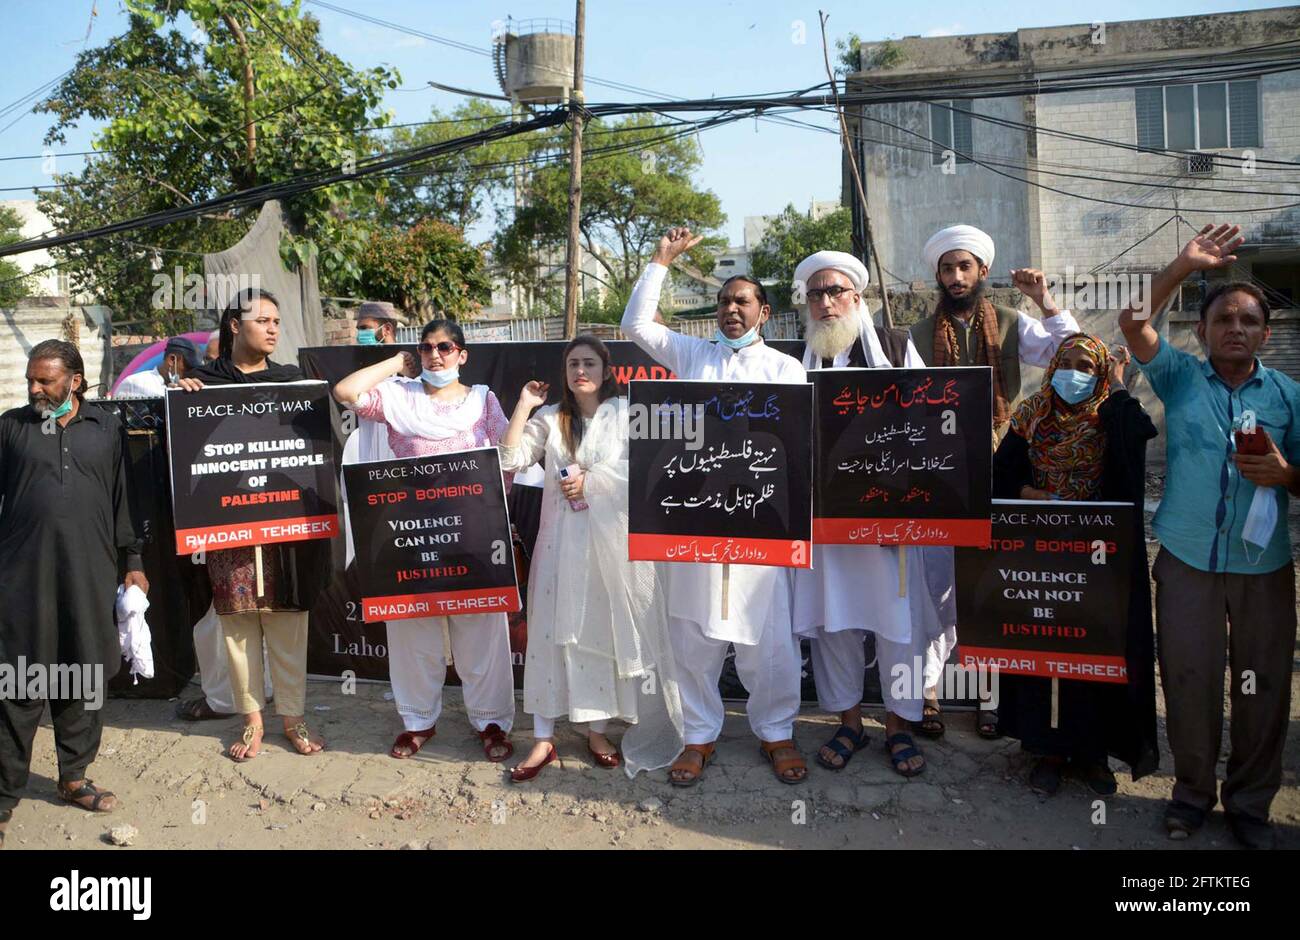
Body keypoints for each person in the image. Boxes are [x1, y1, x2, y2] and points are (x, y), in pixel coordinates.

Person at [1120, 223, 1300, 849]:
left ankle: (1250, 806)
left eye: (1249, 321)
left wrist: (1287, 473)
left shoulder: (1289, 396)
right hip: (1187, 562)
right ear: (1202, 331)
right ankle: (1191, 794)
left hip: (1264, 568)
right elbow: (1133, 323)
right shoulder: (1179, 377)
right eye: (1224, 318)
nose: (1236, 328)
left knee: (1262, 687)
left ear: (1264, 335)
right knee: (1191, 680)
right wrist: (1181, 265)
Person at [621, 226, 809, 786]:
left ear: (764, 312)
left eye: (742, 301)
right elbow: (634, 326)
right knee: (694, 637)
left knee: (766, 641)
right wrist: (660, 259)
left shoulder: (784, 370)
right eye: (725, 300)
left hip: (759, 528)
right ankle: (699, 736)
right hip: (695, 521)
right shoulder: (691, 352)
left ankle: (776, 733)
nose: (731, 309)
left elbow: (792, 452)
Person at [909, 224, 1081, 741]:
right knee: (934, 590)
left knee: (990, 589)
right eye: (947, 268)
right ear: (937, 276)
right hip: (937, 479)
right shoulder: (915, 335)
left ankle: (989, 697)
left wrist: (1043, 298)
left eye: (964, 267)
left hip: (999, 472)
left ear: (982, 272)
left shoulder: (1011, 323)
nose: (956, 277)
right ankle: (929, 695)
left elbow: (1070, 347)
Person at [788, 250, 945, 778]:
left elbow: (926, 422)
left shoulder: (898, 349)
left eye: (835, 291)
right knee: (834, 622)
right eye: (816, 294)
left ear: (858, 297)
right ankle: (850, 720)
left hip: (887, 519)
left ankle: (899, 725)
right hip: (825, 522)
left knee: (898, 622)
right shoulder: (797, 360)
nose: (826, 302)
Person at [499, 336, 685, 780]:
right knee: (550, 634)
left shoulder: (625, 415)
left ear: (606, 370)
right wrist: (524, 405)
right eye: (572, 365)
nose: (580, 371)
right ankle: (543, 737)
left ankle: (596, 730)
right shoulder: (550, 418)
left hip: (613, 547)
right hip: (559, 545)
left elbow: (647, 468)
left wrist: (594, 479)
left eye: (589, 364)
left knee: (601, 634)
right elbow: (510, 457)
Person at [332, 319, 516, 763]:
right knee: (414, 634)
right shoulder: (400, 397)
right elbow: (346, 393)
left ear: (462, 354)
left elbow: (508, 460)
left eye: (446, 347)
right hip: (410, 539)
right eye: (428, 347)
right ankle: (418, 721)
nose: (437, 355)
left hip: (473, 537)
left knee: (482, 633)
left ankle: (491, 722)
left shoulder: (483, 400)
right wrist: (397, 362)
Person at [992, 335, 1159, 796]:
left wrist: (1121, 384)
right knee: (1047, 652)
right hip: (1040, 554)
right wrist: (1029, 494)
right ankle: (1047, 749)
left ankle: (1092, 754)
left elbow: (1140, 431)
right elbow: (1001, 473)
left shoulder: (1112, 415)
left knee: (1095, 653)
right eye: (1065, 362)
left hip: (1097, 556)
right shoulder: (1031, 414)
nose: (1074, 372)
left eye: (1085, 365)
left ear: (1102, 370)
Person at [0, 340, 149, 847]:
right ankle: (4, 794)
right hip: (22, 577)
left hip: (89, 573)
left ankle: (73, 779)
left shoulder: (105, 429)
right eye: (30, 380)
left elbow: (121, 500)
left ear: (76, 381)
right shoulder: (11, 428)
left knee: (83, 672)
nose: (34, 388)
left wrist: (133, 563)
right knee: (19, 683)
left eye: (44, 380)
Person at [177, 288, 330, 761]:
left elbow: (314, 451)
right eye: (262, 320)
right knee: (238, 624)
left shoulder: (292, 382)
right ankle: (251, 721)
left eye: (276, 321)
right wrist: (183, 402)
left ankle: (294, 718)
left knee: (288, 623)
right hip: (230, 532)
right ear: (233, 326)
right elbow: (188, 453)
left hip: (285, 530)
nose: (272, 329)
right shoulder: (202, 384)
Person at [114, 336, 202, 398]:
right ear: (172, 360)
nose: (192, 374)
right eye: (189, 368)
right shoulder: (135, 384)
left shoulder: (191, 387)